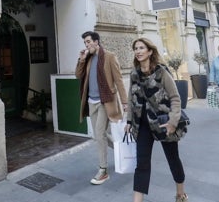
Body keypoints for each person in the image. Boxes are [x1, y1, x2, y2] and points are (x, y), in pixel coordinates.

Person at [124, 38, 188, 202]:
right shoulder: (134, 74)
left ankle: (180, 194)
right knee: (142, 164)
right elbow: (131, 99)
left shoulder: (161, 72)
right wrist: (129, 121)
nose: (138, 51)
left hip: (163, 122)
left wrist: (173, 122)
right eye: (136, 48)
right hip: (143, 125)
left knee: (172, 159)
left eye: (141, 48)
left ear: (150, 51)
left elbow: (175, 98)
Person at [76, 31, 127, 185]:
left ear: (96, 42)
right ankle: (123, 149)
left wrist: (125, 102)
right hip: (91, 102)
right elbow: (78, 75)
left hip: (106, 101)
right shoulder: (88, 58)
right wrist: (81, 60)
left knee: (99, 133)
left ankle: (103, 170)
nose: (86, 45)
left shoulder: (110, 56)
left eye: (88, 41)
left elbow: (118, 80)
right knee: (100, 136)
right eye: (85, 42)